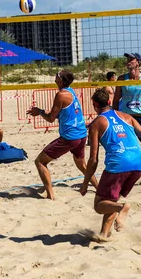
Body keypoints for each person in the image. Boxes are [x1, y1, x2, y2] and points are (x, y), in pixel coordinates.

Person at [80, 88, 141, 240]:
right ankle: (103, 234)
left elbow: (93, 159)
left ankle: (124, 207)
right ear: (110, 102)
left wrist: (85, 182)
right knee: (111, 200)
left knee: (99, 204)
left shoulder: (96, 123)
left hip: (119, 165)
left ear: (95, 105)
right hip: (138, 163)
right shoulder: (126, 116)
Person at [27, 69, 99, 200]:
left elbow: (50, 118)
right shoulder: (71, 91)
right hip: (82, 134)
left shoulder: (61, 95)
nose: (54, 78)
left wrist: (39, 111)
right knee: (81, 165)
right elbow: (61, 113)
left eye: (56, 76)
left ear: (60, 80)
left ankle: (50, 195)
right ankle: (99, 189)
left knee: (40, 162)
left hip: (70, 137)